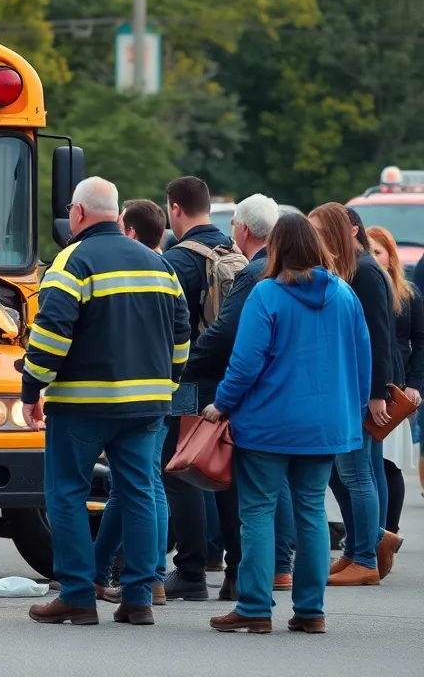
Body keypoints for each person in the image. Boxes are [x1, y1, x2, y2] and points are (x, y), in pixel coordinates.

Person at [22, 177, 190, 627]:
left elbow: (51, 334)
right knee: (137, 494)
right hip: (147, 406)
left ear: (77, 213)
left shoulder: (71, 261)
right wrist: (166, 383)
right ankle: (137, 597)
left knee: (67, 496)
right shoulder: (159, 264)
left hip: (81, 405)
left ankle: (77, 595)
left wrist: (30, 389)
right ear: (116, 216)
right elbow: (181, 336)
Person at [203, 213, 371, 634]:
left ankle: (256, 607)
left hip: (268, 424)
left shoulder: (267, 295)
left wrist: (221, 404)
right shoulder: (345, 295)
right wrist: (351, 410)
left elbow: (245, 364)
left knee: (258, 511)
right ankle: (311, 611)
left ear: (276, 248)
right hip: (325, 425)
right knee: (312, 511)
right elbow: (361, 360)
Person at [180, 193, 296, 590]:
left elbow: (227, 333)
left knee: (201, 473)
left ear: (243, 229)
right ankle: (272, 575)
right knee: (297, 496)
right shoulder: (299, 273)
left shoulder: (253, 273)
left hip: (222, 385)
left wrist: (187, 367)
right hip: (283, 395)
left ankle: (222, 573)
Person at [161, 176, 242, 601]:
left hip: (189, 380)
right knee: (225, 471)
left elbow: (167, 324)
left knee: (181, 470)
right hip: (233, 381)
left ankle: (190, 570)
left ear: (175, 208)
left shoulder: (178, 259)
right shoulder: (234, 253)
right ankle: (236, 572)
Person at [308, 202, 397, 585]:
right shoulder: (353, 270)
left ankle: (365, 557)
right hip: (353, 388)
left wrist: (377, 394)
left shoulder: (364, 272)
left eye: (318, 232)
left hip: (362, 392)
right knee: (352, 473)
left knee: (357, 474)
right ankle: (363, 547)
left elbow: (379, 337)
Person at [95, 198, 171, 606]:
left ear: (131, 232)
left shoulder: (122, 267)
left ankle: (144, 576)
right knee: (137, 486)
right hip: (157, 394)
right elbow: (180, 334)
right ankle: (139, 581)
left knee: (139, 486)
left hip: (116, 395)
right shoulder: (168, 270)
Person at [366, 226, 422, 536]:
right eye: (369, 251)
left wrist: (415, 384)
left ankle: (389, 532)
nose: (373, 258)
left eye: (378, 252)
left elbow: (420, 341)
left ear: (391, 256)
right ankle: (370, 532)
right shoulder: (358, 287)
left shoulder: (408, 294)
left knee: (389, 464)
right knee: (368, 465)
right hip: (374, 384)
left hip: (396, 388)